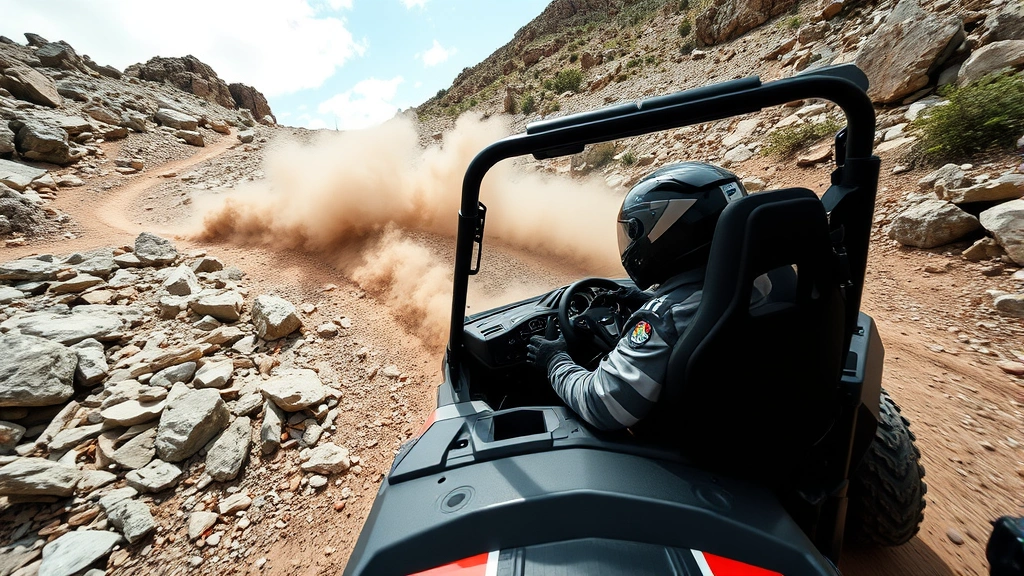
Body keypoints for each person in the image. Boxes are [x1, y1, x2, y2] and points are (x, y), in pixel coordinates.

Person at [526, 162, 774, 431]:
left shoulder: (663, 319)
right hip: (758, 419)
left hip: (689, 456)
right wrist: (648, 299)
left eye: (635, 231)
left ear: (668, 233)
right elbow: (701, 311)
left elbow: (604, 405)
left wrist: (554, 360)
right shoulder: (765, 278)